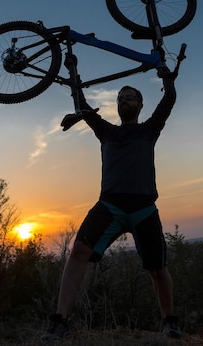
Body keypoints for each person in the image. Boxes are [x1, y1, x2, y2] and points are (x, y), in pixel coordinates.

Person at [47, 53, 181, 339]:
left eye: (130, 97)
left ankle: (170, 321)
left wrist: (166, 74)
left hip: (144, 207)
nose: (124, 100)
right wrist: (73, 69)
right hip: (109, 204)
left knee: (157, 269)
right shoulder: (106, 131)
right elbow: (81, 105)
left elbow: (169, 99)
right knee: (79, 252)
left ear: (140, 105)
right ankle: (59, 320)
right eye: (120, 97)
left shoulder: (149, 129)